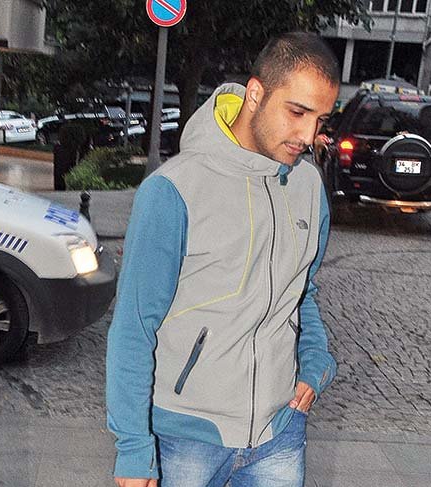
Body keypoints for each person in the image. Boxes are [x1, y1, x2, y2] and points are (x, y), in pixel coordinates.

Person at [106, 32, 340, 487]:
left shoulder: (309, 188)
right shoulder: (174, 189)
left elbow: (301, 292)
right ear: (255, 94)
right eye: (297, 113)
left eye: (320, 119)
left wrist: (315, 361)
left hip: (279, 432)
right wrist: (133, 448)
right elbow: (134, 327)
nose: (308, 136)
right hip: (183, 438)